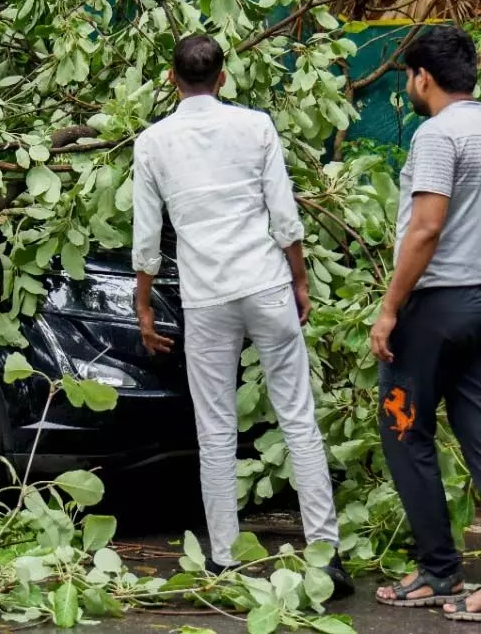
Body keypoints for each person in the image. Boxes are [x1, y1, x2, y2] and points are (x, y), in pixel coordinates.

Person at [132, 34, 352, 590]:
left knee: (215, 431)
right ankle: (325, 551)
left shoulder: (153, 142)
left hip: (207, 299)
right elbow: (283, 214)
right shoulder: (256, 127)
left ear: (171, 78)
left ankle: (225, 557)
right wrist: (300, 278)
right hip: (266, 285)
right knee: (297, 417)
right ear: (223, 77)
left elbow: (147, 237)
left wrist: (142, 304)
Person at [370, 26, 481, 619]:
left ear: (423, 78)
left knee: (404, 428)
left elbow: (426, 228)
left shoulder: (438, 135)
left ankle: (439, 571)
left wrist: (389, 309)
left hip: (436, 308)